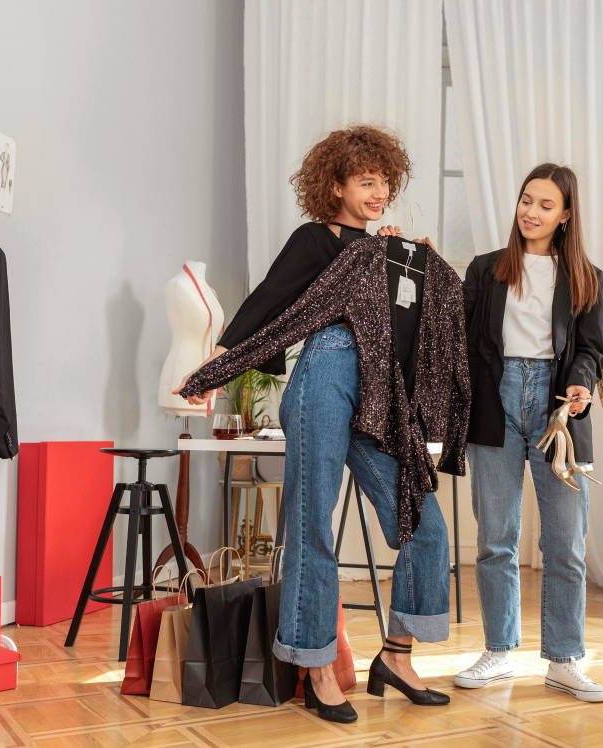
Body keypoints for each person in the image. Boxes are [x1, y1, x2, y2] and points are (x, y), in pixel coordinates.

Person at [179, 125, 453, 723]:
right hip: (324, 379)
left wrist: (410, 269)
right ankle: (316, 667)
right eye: (366, 182)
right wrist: (219, 362)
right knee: (312, 523)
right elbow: (269, 300)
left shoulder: (387, 251)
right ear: (335, 186)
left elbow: (414, 330)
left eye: (384, 183)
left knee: (424, 520)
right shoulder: (315, 238)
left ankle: (397, 656)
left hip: (377, 395)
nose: (379, 193)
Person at [453, 163, 603, 702]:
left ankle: (564, 660)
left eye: (545, 205)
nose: (531, 212)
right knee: (495, 539)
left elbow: (591, 350)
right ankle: (498, 652)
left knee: (566, 542)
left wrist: (581, 383)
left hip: (558, 409)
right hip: (493, 405)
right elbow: (459, 339)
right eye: (526, 200)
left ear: (565, 215)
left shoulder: (587, 277)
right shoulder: (485, 269)